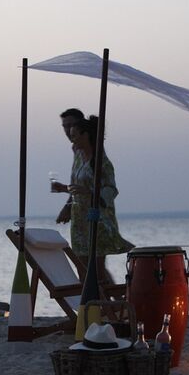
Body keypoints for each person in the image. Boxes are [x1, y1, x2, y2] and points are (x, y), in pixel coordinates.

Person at [67, 115, 133, 282]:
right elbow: (76, 185)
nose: (72, 140)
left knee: (97, 270)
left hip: (97, 220)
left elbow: (110, 189)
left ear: (86, 136)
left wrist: (89, 193)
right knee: (81, 267)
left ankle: (110, 304)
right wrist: (66, 199)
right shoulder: (78, 159)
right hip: (79, 221)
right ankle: (89, 305)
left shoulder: (102, 162)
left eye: (75, 136)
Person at [53, 108, 85, 224]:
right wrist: (64, 188)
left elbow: (100, 188)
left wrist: (67, 208)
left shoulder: (91, 151)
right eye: (65, 126)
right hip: (79, 215)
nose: (68, 130)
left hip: (93, 216)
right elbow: (81, 186)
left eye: (71, 125)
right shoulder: (76, 150)